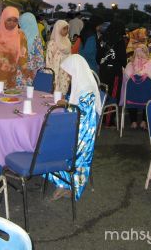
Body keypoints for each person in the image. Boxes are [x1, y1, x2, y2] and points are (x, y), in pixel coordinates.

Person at [48, 54, 101, 200]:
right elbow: (77, 106)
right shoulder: (81, 83)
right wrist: (67, 103)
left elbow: (83, 113)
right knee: (52, 138)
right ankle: (62, 183)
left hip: (84, 132)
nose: (69, 77)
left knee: (54, 142)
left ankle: (68, 184)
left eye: (70, 73)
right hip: (78, 125)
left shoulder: (86, 88)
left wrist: (66, 105)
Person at [124, 46, 151, 129]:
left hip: (132, 98)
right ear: (147, 53)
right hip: (147, 97)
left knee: (134, 91)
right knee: (147, 93)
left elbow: (126, 76)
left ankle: (133, 122)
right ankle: (144, 121)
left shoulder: (130, 64)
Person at [98, 20, 127, 103]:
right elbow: (123, 59)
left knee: (103, 91)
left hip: (103, 70)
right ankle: (111, 110)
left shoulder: (102, 38)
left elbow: (98, 56)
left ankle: (102, 109)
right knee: (113, 93)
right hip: (115, 72)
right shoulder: (120, 41)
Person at [18, 12, 45, 86]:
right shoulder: (36, 38)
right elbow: (40, 60)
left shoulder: (16, 35)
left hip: (17, 73)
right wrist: (40, 73)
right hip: (30, 74)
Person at [45, 20, 71, 94]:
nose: (66, 31)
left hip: (65, 72)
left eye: (67, 29)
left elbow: (70, 57)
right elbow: (48, 60)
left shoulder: (68, 42)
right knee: (54, 93)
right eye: (64, 28)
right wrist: (49, 76)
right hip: (55, 73)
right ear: (58, 28)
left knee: (63, 93)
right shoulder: (52, 43)